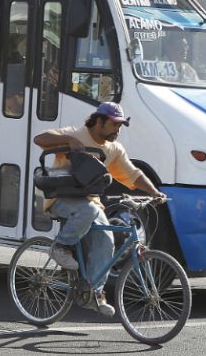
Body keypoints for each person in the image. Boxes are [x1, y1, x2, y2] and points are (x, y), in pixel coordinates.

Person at [33, 102, 166, 317]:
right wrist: (67, 140)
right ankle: (60, 246)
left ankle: (92, 294)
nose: (117, 130)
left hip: (90, 203)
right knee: (89, 211)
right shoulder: (77, 133)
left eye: (120, 126)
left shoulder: (114, 149)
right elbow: (39, 139)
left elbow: (133, 175)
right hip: (60, 199)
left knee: (107, 242)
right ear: (99, 121)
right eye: (114, 125)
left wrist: (154, 193)